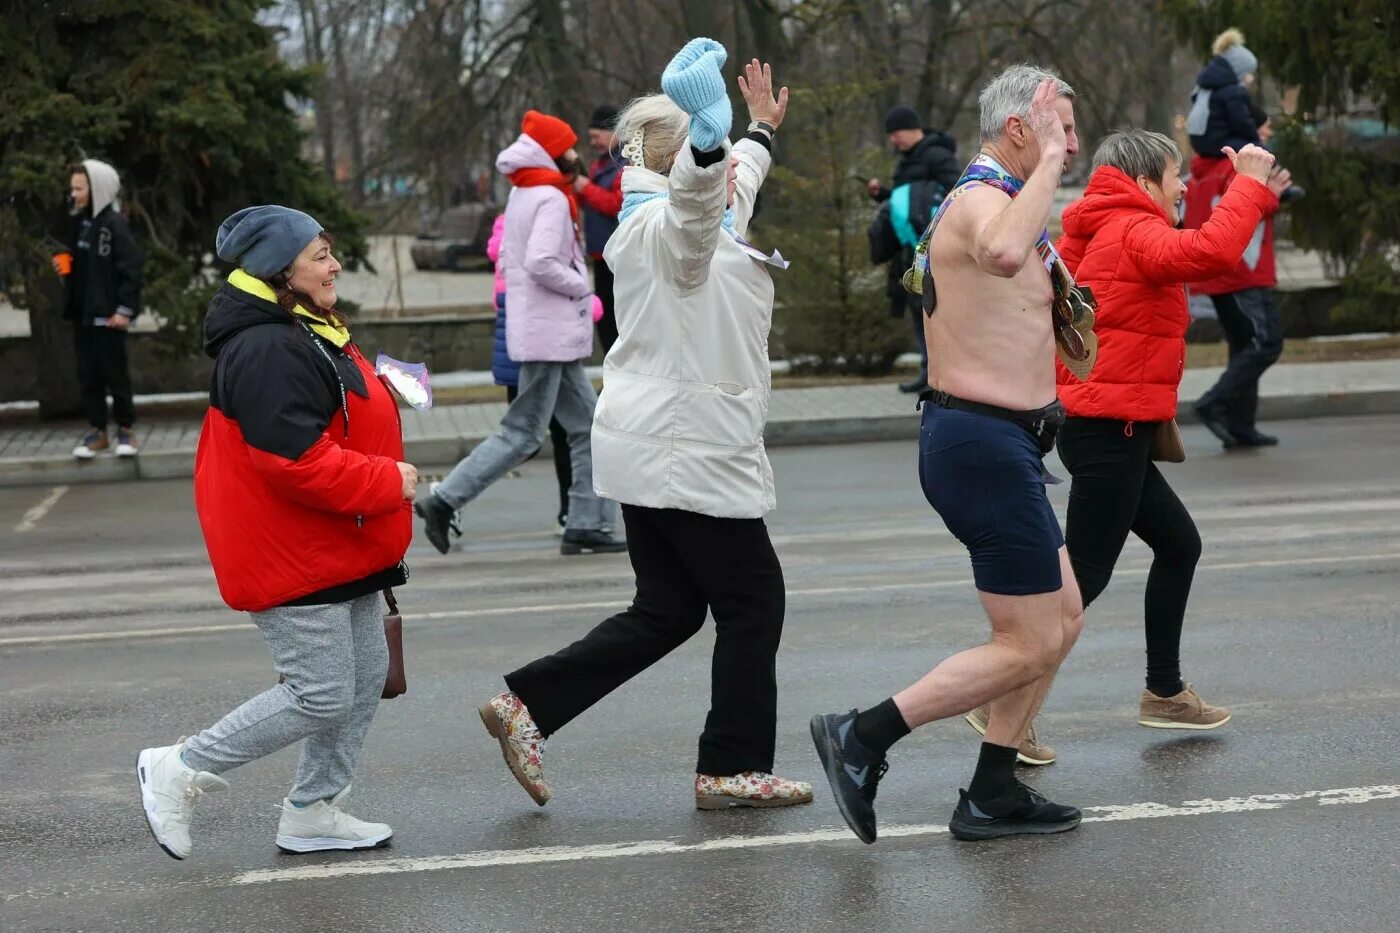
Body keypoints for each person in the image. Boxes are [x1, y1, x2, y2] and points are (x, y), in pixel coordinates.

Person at [477, 43, 813, 812]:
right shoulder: (667, 230)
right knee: (754, 600)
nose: (730, 168)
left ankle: (528, 705)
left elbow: (729, 190)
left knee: (666, 611)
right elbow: (702, 202)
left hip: (657, 446)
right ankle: (731, 765)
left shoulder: (676, 215)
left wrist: (758, 132)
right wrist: (711, 137)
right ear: (680, 158)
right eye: (713, 152)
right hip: (684, 451)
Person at [812, 66, 1086, 844]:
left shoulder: (998, 198)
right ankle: (859, 737)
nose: (1074, 142)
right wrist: (1057, 167)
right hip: (979, 444)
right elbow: (1001, 253)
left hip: (1001, 445)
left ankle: (994, 790)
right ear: (1020, 130)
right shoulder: (981, 200)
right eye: (1062, 128)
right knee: (1028, 639)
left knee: (1063, 618)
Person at [135, 206, 415, 860]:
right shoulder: (266, 347)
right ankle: (177, 767)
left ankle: (316, 809)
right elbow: (296, 463)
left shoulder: (302, 326)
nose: (334, 264)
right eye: (319, 255)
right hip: (295, 551)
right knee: (319, 693)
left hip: (340, 543)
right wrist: (388, 481)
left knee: (367, 670)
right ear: (279, 270)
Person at [1052, 131, 1278, 738]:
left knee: (1179, 546)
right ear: (1146, 181)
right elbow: (1210, 252)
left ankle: (1165, 691)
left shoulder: (1105, 226)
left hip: (1106, 425)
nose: (1182, 187)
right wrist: (1247, 186)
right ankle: (1001, 698)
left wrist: (1259, 193)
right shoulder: (1132, 229)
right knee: (1083, 580)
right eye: (1175, 176)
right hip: (1108, 429)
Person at [415, 110, 626, 557]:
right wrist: (582, 289)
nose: (575, 153)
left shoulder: (527, 192)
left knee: (588, 427)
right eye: (567, 146)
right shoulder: (549, 198)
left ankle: (586, 524)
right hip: (549, 333)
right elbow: (542, 262)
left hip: (547, 332)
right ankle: (444, 499)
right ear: (553, 152)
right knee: (523, 433)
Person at [1188, 105, 1295, 448]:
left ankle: (1241, 425)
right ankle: (1214, 402)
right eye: (1263, 128)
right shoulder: (1237, 167)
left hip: (1224, 275)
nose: (1267, 134)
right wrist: (1274, 196)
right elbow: (1239, 211)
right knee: (1266, 343)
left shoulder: (1205, 169)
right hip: (1241, 274)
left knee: (1244, 345)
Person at [485, 212, 573, 531]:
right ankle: (448, 498)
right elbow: (546, 273)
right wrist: (582, 297)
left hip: (534, 340)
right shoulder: (539, 221)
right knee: (526, 440)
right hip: (538, 341)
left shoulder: (512, 222)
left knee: (566, 434)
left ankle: (573, 513)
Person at [53, 159, 143, 459]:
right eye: (72, 189)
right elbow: (83, 267)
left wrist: (124, 309)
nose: (74, 194)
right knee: (88, 376)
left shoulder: (114, 224)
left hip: (109, 318)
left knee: (114, 374)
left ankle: (126, 430)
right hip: (84, 316)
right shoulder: (81, 223)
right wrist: (65, 269)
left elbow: (131, 268)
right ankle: (98, 431)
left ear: (98, 188)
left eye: (79, 188)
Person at [867, 106, 960, 393]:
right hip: (910, 250)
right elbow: (906, 201)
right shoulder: (907, 161)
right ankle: (928, 372)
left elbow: (955, 192)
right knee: (919, 313)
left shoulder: (938, 156)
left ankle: (943, 376)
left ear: (911, 128)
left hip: (936, 250)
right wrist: (883, 195)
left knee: (935, 314)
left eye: (896, 134)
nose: (894, 140)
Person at [575, 104, 627, 355]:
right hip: (601, 254)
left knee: (615, 318)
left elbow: (618, 203)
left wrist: (586, 188)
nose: (593, 142)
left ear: (614, 132)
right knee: (605, 317)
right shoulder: (601, 164)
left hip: (617, 255)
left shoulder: (624, 163)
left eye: (597, 136)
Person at [1186, 28, 1260, 159]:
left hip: (1200, 141)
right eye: (1249, 73)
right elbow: (1242, 123)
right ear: (1238, 70)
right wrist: (1256, 139)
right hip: (1218, 143)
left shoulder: (1207, 87)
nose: (1251, 78)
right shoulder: (1234, 91)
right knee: (1260, 150)